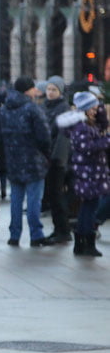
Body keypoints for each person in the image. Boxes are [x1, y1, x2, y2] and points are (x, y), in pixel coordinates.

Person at [0, 76, 52, 247]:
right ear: (28, 90)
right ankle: (36, 235)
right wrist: (46, 154)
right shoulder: (32, 109)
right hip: (33, 160)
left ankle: (14, 235)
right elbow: (44, 136)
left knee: (16, 199)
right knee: (34, 200)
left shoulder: (4, 109)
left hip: (13, 159)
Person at [57, 91, 110, 257]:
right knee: (89, 209)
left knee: (88, 207)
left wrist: (99, 108)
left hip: (91, 172)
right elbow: (87, 147)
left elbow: (102, 123)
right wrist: (107, 140)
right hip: (89, 173)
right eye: (92, 108)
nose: (95, 110)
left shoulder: (87, 124)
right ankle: (87, 243)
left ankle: (81, 243)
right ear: (85, 109)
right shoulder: (81, 126)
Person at [42, 75, 72, 243]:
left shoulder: (63, 109)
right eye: (49, 89)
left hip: (57, 160)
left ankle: (63, 230)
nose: (50, 92)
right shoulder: (45, 106)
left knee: (57, 195)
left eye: (54, 89)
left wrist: (57, 159)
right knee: (52, 196)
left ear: (60, 91)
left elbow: (63, 138)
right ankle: (58, 229)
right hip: (47, 158)